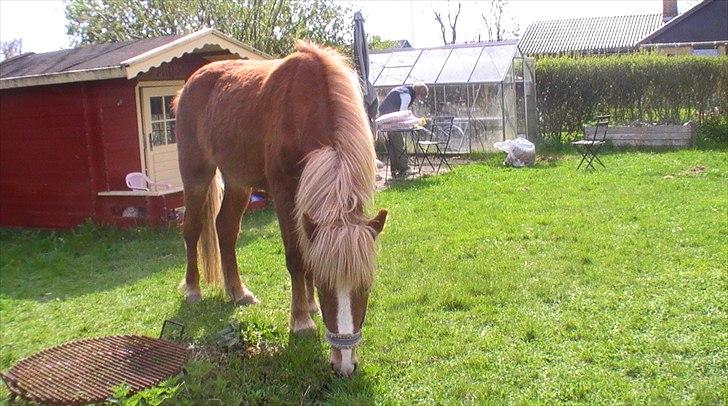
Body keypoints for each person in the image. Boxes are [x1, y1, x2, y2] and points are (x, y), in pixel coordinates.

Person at [378, 82, 428, 178]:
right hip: (390, 119)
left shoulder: (405, 90)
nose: (420, 99)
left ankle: (395, 169)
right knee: (399, 143)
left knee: (393, 143)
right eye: (421, 97)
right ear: (419, 94)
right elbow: (402, 114)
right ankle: (404, 169)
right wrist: (413, 123)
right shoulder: (407, 95)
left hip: (386, 116)